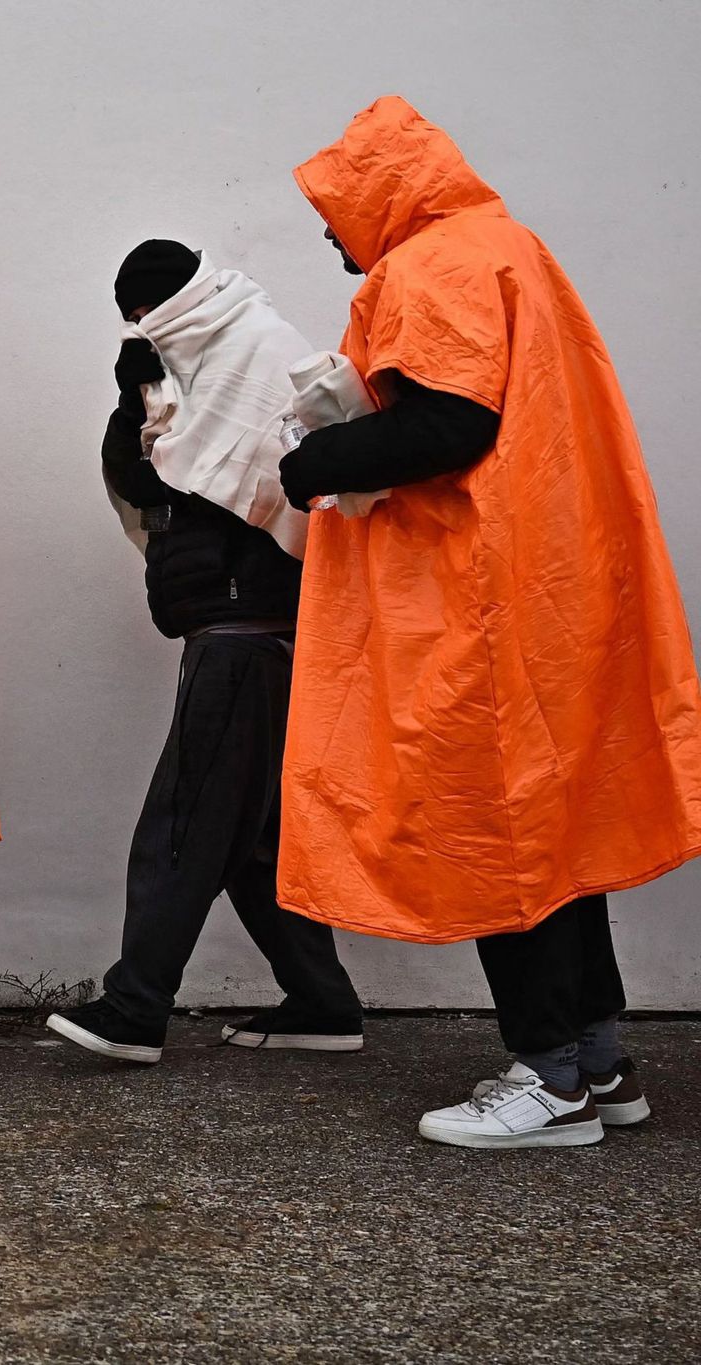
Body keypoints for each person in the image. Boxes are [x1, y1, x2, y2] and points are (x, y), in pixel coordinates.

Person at [279, 96, 701, 1148]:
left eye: (333, 211)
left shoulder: (428, 266)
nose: (327, 232)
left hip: (469, 599)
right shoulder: (506, 248)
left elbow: (450, 422)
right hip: (543, 585)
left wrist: (311, 461)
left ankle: (546, 1077)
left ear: (380, 195)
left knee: (496, 841)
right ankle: (599, 1062)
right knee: (553, 842)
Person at [46, 241, 364, 1065]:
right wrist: (133, 401)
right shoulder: (183, 374)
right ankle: (324, 1004)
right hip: (234, 629)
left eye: (143, 309)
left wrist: (154, 406)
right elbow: (143, 477)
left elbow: (244, 486)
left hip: (247, 628)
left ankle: (136, 1006)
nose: (137, 327)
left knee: (185, 822)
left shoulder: (259, 356)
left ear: (179, 301)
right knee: (251, 833)